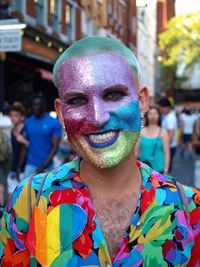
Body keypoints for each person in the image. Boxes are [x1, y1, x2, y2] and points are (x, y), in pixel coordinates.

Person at [0, 37, 200, 267]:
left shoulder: (190, 209)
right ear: (62, 113)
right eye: (77, 100)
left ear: (142, 101)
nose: (97, 117)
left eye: (114, 95)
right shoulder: (29, 200)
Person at [21, 94, 62, 177]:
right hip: (30, 165)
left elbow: (55, 147)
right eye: (33, 105)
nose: (34, 107)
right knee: (26, 189)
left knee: (46, 190)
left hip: (47, 168)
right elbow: (25, 145)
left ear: (43, 105)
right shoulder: (28, 122)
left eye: (37, 105)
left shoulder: (54, 123)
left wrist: (43, 166)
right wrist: (19, 167)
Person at [136, 106, 170, 174]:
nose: (153, 116)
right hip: (144, 170)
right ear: (147, 116)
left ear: (159, 116)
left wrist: (166, 170)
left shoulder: (163, 132)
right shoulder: (141, 132)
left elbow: (166, 153)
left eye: (155, 113)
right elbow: (136, 151)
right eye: (150, 113)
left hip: (159, 170)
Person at [7, 102, 28, 198]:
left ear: (22, 117)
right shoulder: (12, 130)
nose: (12, 118)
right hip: (12, 168)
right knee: (11, 195)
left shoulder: (26, 130)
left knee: (22, 197)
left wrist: (25, 141)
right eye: (11, 115)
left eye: (16, 115)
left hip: (23, 170)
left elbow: (33, 147)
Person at [158, 97, 178, 172]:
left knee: (166, 169)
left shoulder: (170, 118)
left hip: (169, 147)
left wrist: (163, 147)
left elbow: (171, 135)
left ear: (166, 107)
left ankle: (167, 183)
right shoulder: (168, 116)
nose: (160, 109)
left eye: (161, 107)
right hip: (169, 146)